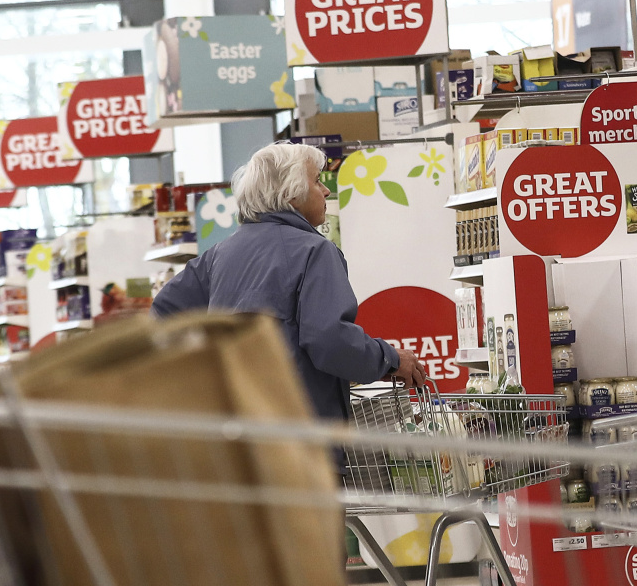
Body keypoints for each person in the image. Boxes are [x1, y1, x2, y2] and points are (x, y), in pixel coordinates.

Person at [154, 143, 431, 416]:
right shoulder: (314, 251)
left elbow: (163, 313)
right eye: (317, 181)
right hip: (301, 427)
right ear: (291, 194)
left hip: (240, 424)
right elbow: (330, 340)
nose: (326, 190)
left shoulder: (219, 254)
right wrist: (390, 360)